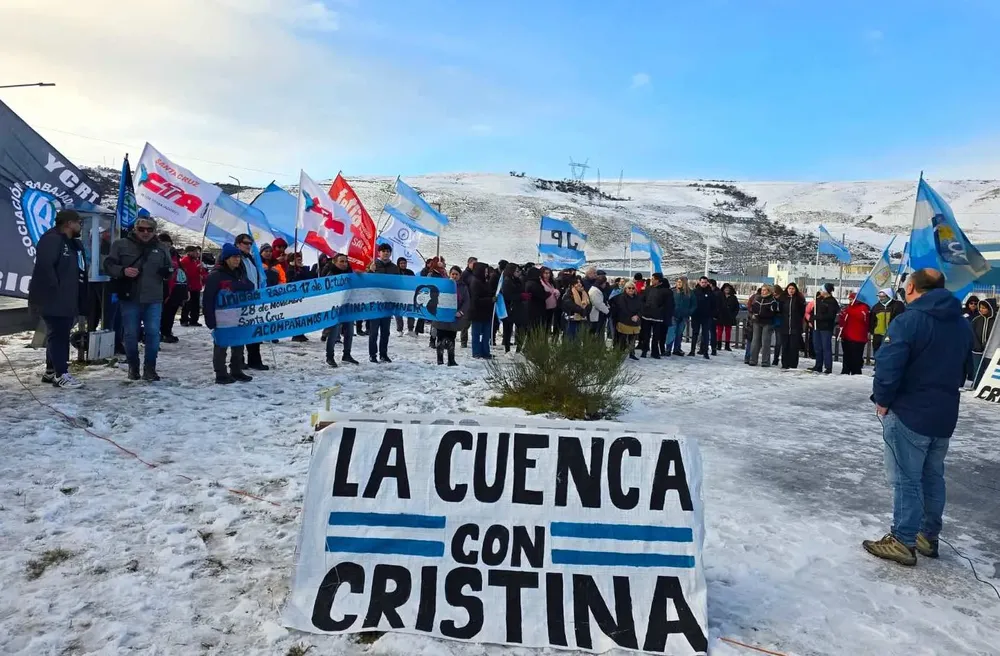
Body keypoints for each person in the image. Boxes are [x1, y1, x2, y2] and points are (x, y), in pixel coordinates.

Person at [864, 269, 972, 566]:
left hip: (910, 411)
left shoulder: (909, 320)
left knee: (905, 478)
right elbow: (966, 371)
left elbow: (889, 363)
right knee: (932, 475)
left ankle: (903, 539)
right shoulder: (961, 325)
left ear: (910, 287)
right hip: (944, 412)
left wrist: (883, 399)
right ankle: (927, 535)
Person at [104, 214, 173, 381]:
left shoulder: (162, 248)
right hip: (130, 297)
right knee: (130, 333)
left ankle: (150, 368)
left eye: (149, 229)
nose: (145, 232)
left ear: (155, 231)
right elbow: (108, 265)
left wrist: (167, 273)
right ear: (135, 229)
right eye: (141, 229)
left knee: (152, 334)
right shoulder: (120, 244)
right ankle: (133, 367)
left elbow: (169, 269)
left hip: (153, 298)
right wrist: (123, 271)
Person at [28, 209, 87, 389]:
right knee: (59, 336)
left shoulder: (69, 243)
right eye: (79, 222)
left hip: (66, 298)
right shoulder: (52, 239)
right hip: (54, 298)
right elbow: (45, 268)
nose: (80, 226)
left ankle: (51, 371)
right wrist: (56, 292)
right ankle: (61, 374)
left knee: (57, 334)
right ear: (69, 223)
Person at [203, 244, 254, 384]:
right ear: (226, 259)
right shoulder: (216, 275)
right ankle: (220, 373)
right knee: (221, 345)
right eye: (234, 257)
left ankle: (236, 370)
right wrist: (210, 319)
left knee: (238, 344)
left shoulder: (239, 273)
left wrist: (234, 286)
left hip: (238, 315)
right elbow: (208, 298)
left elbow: (250, 286)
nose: (237, 260)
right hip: (221, 318)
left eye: (238, 257)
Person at [234, 234, 270, 371]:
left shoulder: (251, 259)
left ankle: (254, 360)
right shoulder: (235, 258)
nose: (248, 246)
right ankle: (238, 361)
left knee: (254, 331)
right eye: (245, 243)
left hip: (254, 299)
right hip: (241, 299)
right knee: (242, 332)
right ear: (238, 244)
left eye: (250, 243)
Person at [368, 243, 399, 362]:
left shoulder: (394, 268)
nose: (386, 253)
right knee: (374, 331)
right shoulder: (373, 265)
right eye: (383, 251)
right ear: (379, 253)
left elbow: (398, 284)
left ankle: (383, 354)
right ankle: (372, 354)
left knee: (385, 331)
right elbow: (366, 282)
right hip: (375, 303)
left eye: (388, 251)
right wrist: (371, 271)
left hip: (387, 304)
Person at [434, 266, 470, 366]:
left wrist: (461, 312)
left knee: (451, 338)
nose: (454, 276)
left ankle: (451, 359)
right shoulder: (444, 284)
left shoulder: (463, 287)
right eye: (452, 274)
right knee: (440, 338)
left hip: (454, 318)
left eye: (456, 274)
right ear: (449, 274)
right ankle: (440, 359)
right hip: (442, 318)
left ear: (460, 275)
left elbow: (467, 302)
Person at [158, 233, 187, 345]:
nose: (167, 247)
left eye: (168, 244)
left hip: (177, 289)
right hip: (166, 288)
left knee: (170, 313)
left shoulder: (174, 256)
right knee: (164, 313)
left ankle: (167, 332)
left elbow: (180, 272)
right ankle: (163, 333)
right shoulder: (161, 255)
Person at [639, 273, 673, 358]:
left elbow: (669, 305)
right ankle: (644, 350)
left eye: (653, 279)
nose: (652, 280)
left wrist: (663, 313)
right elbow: (642, 300)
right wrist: (643, 309)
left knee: (656, 336)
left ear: (658, 280)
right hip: (646, 315)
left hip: (658, 317)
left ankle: (655, 352)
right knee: (646, 335)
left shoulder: (666, 291)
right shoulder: (648, 288)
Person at [467, 262, 494, 359]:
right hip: (477, 312)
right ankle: (476, 352)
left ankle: (485, 352)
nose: (486, 273)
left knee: (486, 335)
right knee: (476, 334)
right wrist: (490, 300)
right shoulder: (475, 282)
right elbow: (476, 300)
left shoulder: (484, 281)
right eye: (485, 271)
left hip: (486, 312)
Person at [811, 283, 840, 374]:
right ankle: (818, 365)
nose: (820, 291)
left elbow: (831, 315)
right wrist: (812, 318)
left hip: (826, 328)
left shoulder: (832, 302)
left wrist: (818, 317)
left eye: (822, 290)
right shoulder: (819, 300)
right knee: (817, 347)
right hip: (817, 326)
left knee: (826, 347)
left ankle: (828, 367)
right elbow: (813, 311)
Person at [747, 284, 779, 367]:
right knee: (755, 341)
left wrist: (762, 314)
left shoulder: (772, 300)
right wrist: (755, 314)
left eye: (765, 290)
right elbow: (754, 308)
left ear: (769, 291)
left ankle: (765, 361)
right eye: (762, 290)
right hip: (757, 321)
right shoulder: (758, 299)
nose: (763, 292)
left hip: (767, 323)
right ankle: (753, 360)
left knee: (765, 342)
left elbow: (772, 312)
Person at [778, 283, 806, 369]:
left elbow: (802, 312)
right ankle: (785, 363)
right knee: (785, 346)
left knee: (794, 347)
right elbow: (780, 311)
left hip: (795, 326)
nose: (791, 290)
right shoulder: (783, 299)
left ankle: (793, 364)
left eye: (793, 289)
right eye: (789, 288)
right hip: (785, 326)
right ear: (787, 289)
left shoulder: (799, 299)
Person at [970, 298, 997, 387]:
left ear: (990, 308)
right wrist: (977, 345)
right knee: (977, 369)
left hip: (991, 351)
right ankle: (976, 385)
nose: (982, 309)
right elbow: (971, 333)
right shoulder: (976, 320)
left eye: (984, 308)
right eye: (980, 307)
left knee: (990, 370)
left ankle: (988, 386)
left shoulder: (996, 321)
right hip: (977, 350)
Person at [612, 281, 643, 360]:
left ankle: (632, 353)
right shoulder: (621, 297)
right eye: (629, 288)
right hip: (624, 321)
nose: (631, 290)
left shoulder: (638, 298)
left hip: (635, 321)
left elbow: (641, 308)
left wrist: (637, 316)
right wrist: (631, 316)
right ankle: (620, 353)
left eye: (633, 288)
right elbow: (623, 308)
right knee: (622, 338)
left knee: (632, 339)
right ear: (625, 289)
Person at [870, 288, 905, 354]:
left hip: (892, 335)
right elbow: (872, 320)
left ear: (889, 296)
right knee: (877, 353)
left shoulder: (897, 305)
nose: (881, 298)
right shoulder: (876, 307)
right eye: (879, 296)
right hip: (878, 335)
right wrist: (872, 331)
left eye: (883, 297)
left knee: (890, 353)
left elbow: (900, 319)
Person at [500, 262, 525, 353]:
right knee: (508, 330)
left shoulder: (517, 280)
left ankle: (518, 349)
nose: (519, 273)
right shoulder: (507, 280)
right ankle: (507, 349)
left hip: (517, 308)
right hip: (509, 308)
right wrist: (520, 296)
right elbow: (507, 295)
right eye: (517, 271)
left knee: (520, 329)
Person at [179, 246, 206, 327]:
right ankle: (184, 320)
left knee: (195, 304)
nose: (197, 254)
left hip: (196, 286)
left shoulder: (197, 261)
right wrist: (197, 269)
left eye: (197, 252)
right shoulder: (184, 261)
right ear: (189, 252)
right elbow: (187, 274)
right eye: (195, 252)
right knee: (187, 304)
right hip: (188, 286)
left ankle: (194, 320)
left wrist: (203, 273)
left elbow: (202, 273)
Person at [670, 277, 696, 356]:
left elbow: (694, 304)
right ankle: (668, 349)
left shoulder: (690, 293)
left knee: (679, 334)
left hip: (684, 316)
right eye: (677, 282)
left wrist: (689, 312)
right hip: (673, 315)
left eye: (680, 282)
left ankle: (677, 349)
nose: (678, 283)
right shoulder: (673, 291)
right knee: (671, 333)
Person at [690, 277, 715, 357]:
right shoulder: (695, 292)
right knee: (695, 333)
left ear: (707, 283)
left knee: (706, 334)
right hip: (696, 316)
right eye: (702, 282)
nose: (704, 284)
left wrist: (712, 314)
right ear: (699, 282)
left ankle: (705, 352)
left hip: (706, 316)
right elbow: (691, 303)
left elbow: (714, 305)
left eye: (705, 282)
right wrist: (692, 312)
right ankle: (692, 350)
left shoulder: (710, 292)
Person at [715, 283, 740, 352]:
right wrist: (717, 314)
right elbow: (716, 305)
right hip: (720, 316)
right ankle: (718, 345)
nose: (727, 290)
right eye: (725, 289)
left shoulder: (733, 297)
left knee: (728, 332)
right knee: (719, 331)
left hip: (729, 317)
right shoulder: (719, 296)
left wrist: (733, 315)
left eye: (728, 289)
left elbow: (736, 308)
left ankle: (727, 346)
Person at [588, 274, 611, 339]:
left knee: (598, 332)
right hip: (596, 315)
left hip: (599, 314)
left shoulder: (596, 289)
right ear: (602, 283)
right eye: (604, 283)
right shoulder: (595, 291)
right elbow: (598, 304)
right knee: (596, 332)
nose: (605, 285)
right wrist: (607, 311)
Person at [540, 266, 561, 335]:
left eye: (548, 273)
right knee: (544, 326)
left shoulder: (551, 282)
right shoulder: (541, 282)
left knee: (548, 325)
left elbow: (553, 290)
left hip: (552, 306)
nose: (547, 275)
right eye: (545, 273)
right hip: (544, 306)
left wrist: (556, 291)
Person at [769, 284, 785, 365]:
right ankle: (775, 358)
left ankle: (777, 359)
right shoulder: (772, 299)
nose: (774, 293)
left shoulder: (783, 299)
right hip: (774, 321)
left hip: (781, 322)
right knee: (777, 342)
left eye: (775, 292)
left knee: (779, 342)